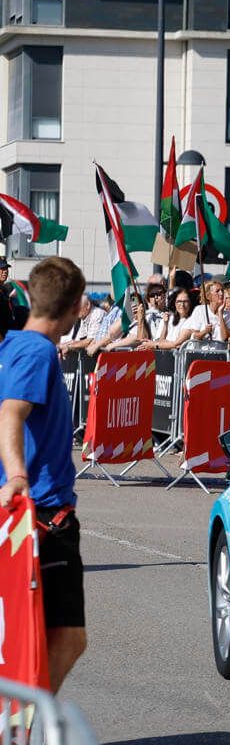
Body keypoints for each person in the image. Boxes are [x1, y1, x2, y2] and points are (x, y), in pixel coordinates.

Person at [0, 256, 91, 711]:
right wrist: (17, 475)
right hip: (42, 515)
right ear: (77, 305)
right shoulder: (35, 351)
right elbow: (11, 412)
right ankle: (13, 740)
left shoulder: (16, 347)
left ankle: (16, 738)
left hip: (37, 513)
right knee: (67, 638)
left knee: (41, 639)